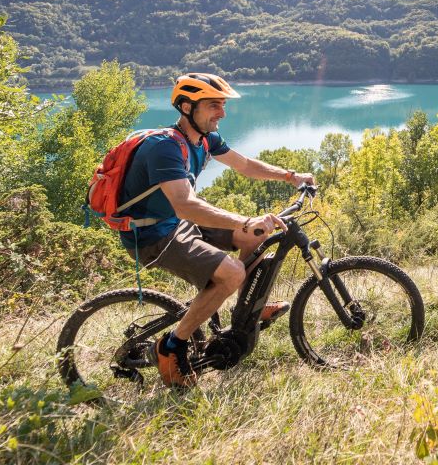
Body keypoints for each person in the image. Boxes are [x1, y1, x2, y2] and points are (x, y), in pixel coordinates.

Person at [118, 72, 315, 388]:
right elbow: (184, 205)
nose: (222, 113)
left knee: (257, 235)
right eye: (213, 105)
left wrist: (291, 176)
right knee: (233, 271)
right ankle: (171, 346)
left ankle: (247, 310)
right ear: (186, 107)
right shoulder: (165, 148)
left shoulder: (205, 139)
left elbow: (245, 165)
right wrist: (243, 220)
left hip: (178, 224)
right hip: (153, 235)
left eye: (222, 105)